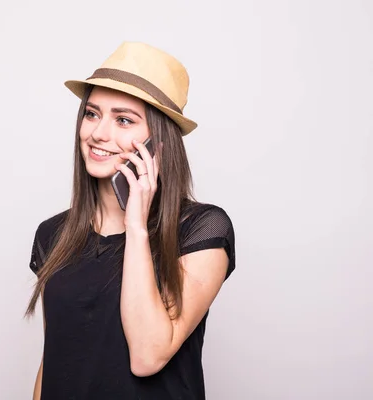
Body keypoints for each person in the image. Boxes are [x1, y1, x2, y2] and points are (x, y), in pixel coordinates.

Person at [25, 41, 236, 400]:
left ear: (160, 143)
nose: (99, 133)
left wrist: (135, 226)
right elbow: (55, 356)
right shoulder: (53, 234)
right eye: (92, 114)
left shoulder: (201, 230)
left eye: (123, 120)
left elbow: (148, 356)